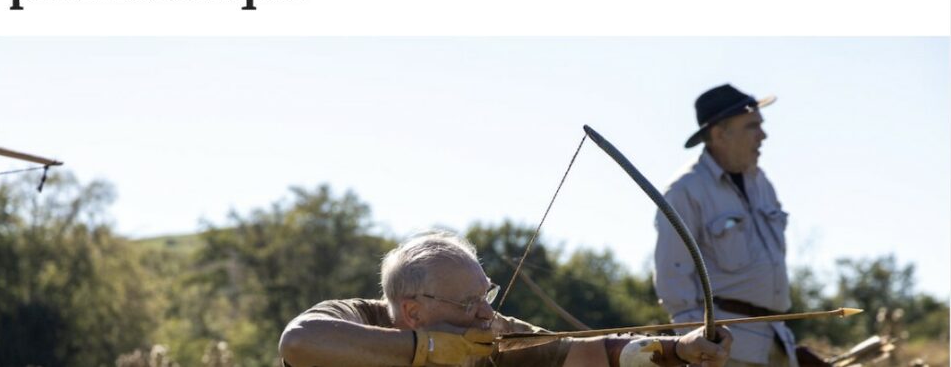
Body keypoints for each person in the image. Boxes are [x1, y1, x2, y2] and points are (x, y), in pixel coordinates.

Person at [280, 231, 733, 367]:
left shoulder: (485, 333)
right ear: (413, 311)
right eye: (468, 302)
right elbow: (298, 342)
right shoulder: (354, 317)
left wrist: (678, 349)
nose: (486, 312)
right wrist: (429, 349)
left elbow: (580, 351)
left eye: (486, 295)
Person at [653, 84, 796, 367]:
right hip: (727, 353)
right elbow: (675, 285)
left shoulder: (762, 183)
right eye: (752, 126)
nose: (763, 135)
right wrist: (700, 349)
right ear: (720, 133)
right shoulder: (685, 191)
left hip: (777, 345)